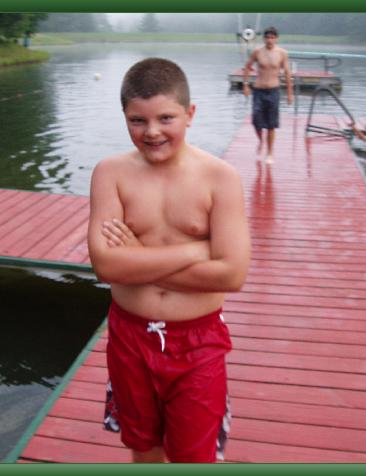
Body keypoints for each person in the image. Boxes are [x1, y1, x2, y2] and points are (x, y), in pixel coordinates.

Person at [87, 58, 250, 463]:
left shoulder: (220, 178)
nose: (152, 132)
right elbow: (107, 267)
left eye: (166, 118)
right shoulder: (110, 174)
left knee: (194, 456)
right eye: (137, 121)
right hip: (130, 337)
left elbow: (231, 274)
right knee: (143, 446)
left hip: (197, 342)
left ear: (190, 114)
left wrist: (138, 259)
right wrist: (197, 250)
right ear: (125, 118)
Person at [242, 26, 293, 164]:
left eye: (272, 37)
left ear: (276, 39)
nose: (270, 40)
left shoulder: (282, 53)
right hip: (258, 90)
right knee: (256, 121)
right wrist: (245, 85)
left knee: (271, 124)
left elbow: (287, 73)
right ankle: (261, 141)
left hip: (273, 90)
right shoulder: (258, 52)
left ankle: (270, 153)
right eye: (267, 37)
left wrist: (290, 94)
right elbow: (247, 67)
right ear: (264, 38)